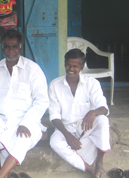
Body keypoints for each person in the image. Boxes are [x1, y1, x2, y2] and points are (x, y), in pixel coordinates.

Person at [0, 30, 49, 178]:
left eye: (14, 46)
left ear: (20, 47)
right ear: (2, 48)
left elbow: (42, 101)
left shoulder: (33, 69)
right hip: (2, 118)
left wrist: (27, 122)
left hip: (26, 119)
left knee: (22, 139)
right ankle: (2, 175)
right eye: (7, 47)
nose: (11, 51)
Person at [49, 49, 110, 178]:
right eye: (68, 65)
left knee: (103, 120)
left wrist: (94, 112)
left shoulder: (92, 83)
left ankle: (99, 163)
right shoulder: (55, 84)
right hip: (65, 128)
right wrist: (67, 135)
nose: (71, 69)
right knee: (54, 142)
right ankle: (90, 169)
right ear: (64, 64)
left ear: (81, 67)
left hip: (85, 126)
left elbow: (104, 108)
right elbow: (54, 116)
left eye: (75, 66)